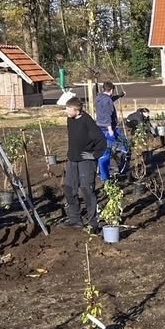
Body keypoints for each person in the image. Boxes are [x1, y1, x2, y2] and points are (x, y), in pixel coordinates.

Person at [62, 95, 108, 230]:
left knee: (86, 190)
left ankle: (93, 222)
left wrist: (93, 155)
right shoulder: (70, 120)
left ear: (76, 110)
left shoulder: (88, 122)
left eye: (68, 109)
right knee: (69, 189)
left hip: (86, 162)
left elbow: (101, 140)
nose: (66, 111)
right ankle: (75, 219)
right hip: (72, 160)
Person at [93, 82, 123, 181]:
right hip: (107, 129)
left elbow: (109, 100)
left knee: (105, 150)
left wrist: (119, 96)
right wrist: (110, 129)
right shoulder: (107, 101)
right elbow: (107, 114)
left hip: (99, 128)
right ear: (112, 90)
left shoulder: (99, 97)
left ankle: (104, 172)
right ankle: (106, 175)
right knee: (111, 150)